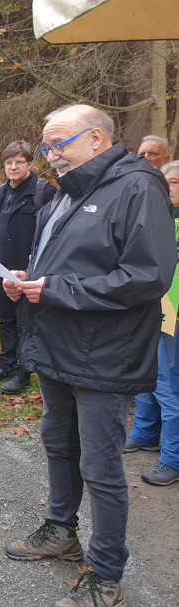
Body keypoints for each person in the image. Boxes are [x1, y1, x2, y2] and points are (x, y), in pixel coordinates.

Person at [2, 104, 176, 607]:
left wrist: (58, 289)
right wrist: (27, 277)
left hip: (106, 355)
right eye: (46, 145)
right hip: (56, 346)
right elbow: (63, 261)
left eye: (59, 145)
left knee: (100, 466)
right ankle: (61, 530)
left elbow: (148, 276)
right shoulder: (70, 191)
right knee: (58, 442)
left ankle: (106, 578)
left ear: (96, 139)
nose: (50, 155)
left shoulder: (138, 188)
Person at [0, 141, 56, 394]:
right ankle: (6, 365)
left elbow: (52, 235)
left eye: (18, 162)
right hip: (1, 270)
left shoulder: (43, 192)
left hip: (27, 273)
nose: (13, 167)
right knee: (5, 320)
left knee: (26, 323)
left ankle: (24, 372)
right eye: (9, 163)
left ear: (30, 164)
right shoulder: (2, 191)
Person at [124, 159, 179, 486]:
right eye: (166, 182)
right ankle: (145, 431)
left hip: (172, 315)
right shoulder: (157, 218)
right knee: (146, 375)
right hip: (148, 309)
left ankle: (172, 457)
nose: (168, 188)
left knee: (168, 384)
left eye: (174, 182)